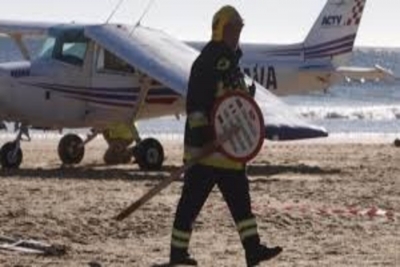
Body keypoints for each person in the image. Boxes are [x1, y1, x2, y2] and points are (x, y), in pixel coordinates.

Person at [169, 5, 282, 267]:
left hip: (229, 152)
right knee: (190, 205)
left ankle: (253, 250)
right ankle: (177, 255)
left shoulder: (231, 61)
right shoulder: (208, 61)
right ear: (220, 30)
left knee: (242, 204)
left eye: (239, 30)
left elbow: (231, 102)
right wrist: (204, 139)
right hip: (206, 152)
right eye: (233, 29)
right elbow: (197, 106)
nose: (237, 35)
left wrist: (246, 102)